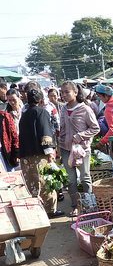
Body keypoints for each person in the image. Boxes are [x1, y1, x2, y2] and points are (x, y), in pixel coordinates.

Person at [18, 88, 62, 217]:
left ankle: (36, 210)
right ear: (41, 100)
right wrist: (49, 152)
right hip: (39, 154)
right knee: (44, 181)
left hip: (25, 154)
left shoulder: (24, 114)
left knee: (31, 182)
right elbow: (45, 132)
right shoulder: (42, 112)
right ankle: (49, 210)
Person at [58, 81, 100, 216]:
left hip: (82, 150)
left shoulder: (85, 109)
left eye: (67, 92)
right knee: (70, 180)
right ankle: (75, 206)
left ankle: (90, 206)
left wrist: (81, 135)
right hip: (65, 148)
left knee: (85, 177)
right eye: (62, 92)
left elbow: (95, 128)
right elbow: (62, 128)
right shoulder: (63, 109)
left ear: (75, 93)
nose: (64, 95)